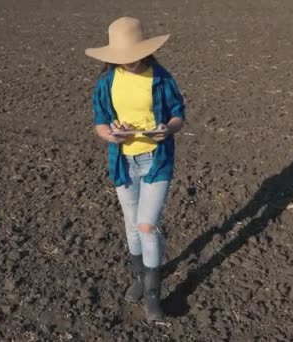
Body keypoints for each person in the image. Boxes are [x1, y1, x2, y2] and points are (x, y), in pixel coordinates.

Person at [85, 17, 185, 321]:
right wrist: (111, 134)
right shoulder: (107, 83)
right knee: (131, 225)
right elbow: (100, 124)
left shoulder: (161, 78)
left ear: (145, 50)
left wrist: (167, 130)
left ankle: (154, 294)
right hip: (123, 163)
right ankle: (140, 278)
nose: (127, 62)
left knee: (146, 226)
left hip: (156, 160)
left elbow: (178, 115)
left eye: (132, 55)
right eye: (121, 57)